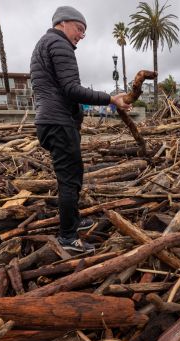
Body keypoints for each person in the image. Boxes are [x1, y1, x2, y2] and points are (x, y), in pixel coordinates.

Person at [30, 5, 131, 252]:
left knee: (71, 176)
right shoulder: (59, 44)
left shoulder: (43, 45)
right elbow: (72, 89)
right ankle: (67, 237)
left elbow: (59, 89)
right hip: (58, 123)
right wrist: (111, 98)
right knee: (69, 180)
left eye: (84, 31)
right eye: (79, 28)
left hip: (49, 121)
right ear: (62, 23)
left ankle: (73, 221)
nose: (82, 35)